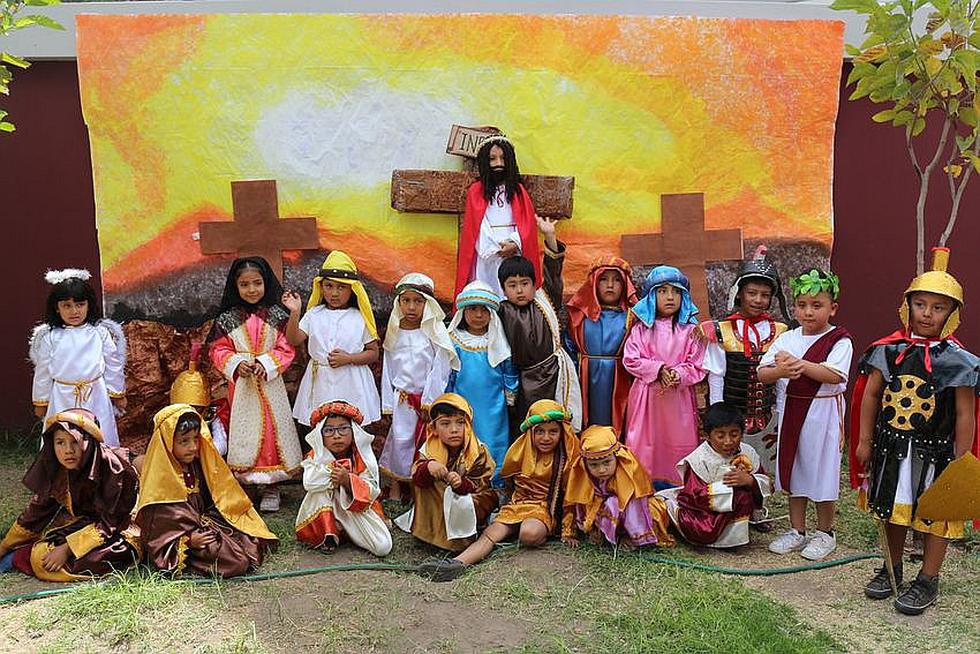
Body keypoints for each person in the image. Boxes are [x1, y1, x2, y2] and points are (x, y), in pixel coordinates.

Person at [851, 248, 979, 615]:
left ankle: (928, 579)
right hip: (892, 447)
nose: (927, 313)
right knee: (892, 508)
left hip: (938, 451)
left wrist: (962, 457)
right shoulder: (887, 351)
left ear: (952, 314)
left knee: (937, 512)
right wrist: (863, 441)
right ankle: (891, 568)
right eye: (920, 304)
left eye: (938, 307)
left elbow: (964, 412)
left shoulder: (960, 362)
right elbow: (871, 395)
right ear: (908, 306)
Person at [417, 400, 579, 581]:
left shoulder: (567, 458)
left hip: (542, 509)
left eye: (553, 432)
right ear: (530, 432)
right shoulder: (520, 450)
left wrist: (568, 530)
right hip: (517, 505)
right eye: (539, 431)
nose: (546, 438)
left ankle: (528, 529)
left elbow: (572, 495)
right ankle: (456, 564)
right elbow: (509, 481)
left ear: (562, 432)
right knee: (491, 534)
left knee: (529, 534)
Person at [759, 269, 852, 561]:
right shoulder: (787, 338)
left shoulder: (840, 340)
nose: (808, 312)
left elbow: (834, 374)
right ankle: (797, 530)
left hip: (823, 414)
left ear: (832, 308)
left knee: (823, 472)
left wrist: (798, 365)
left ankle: (825, 532)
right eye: (802, 305)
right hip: (791, 413)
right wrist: (781, 371)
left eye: (817, 305)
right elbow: (763, 373)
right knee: (794, 470)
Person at [208, 256, 303, 513]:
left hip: (271, 386)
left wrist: (266, 362)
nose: (252, 290)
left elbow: (286, 348)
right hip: (242, 389)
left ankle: (272, 486)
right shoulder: (227, 319)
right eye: (245, 284)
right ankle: (247, 484)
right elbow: (218, 350)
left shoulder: (276, 314)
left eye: (257, 283)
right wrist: (237, 363)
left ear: (266, 283)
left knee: (274, 433)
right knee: (244, 431)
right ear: (235, 287)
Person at [137, 404, 277, 578]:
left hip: (204, 525)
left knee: (249, 539)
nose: (193, 447)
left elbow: (213, 497)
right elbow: (158, 528)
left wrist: (216, 521)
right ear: (166, 442)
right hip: (180, 539)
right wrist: (187, 540)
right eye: (184, 441)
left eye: (196, 439)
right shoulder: (160, 479)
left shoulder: (196, 465)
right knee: (236, 562)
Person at [0, 409, 140, 581]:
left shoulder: (114, 469)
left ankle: (22, 558)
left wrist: (67, 549)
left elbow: (111, 521)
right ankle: (16, 556)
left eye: (75, 442)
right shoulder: (58, 466)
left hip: (122, 526)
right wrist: (4, 546)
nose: (68, 450)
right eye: (60, 442)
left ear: (88, 443)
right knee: (45, 553)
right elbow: (38, 511)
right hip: (89, 524)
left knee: (93, 559)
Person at [700, 245, 790, 470]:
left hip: (766, 416)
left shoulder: (779, 330)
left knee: (761, 470)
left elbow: (781, 378)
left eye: (765, 295)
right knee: (728, 468)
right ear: (739, 293)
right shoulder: (723, 330)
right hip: (732, 416)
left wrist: (780, 411)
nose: (758, 300)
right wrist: (718, 414)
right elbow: (717, 376)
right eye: (752, 293)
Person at [497, 215, 582, 433]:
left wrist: (549, 234)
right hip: (524, 380)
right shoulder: (502, 310)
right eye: (512, 285)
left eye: (524, 283)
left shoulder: (546, 299)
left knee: (558, 424)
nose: (519, 290)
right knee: (529, 426)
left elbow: (553, 269)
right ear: (503, 289)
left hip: (554, 372)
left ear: (534, 284)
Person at [623, 266, 706, 488]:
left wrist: (678, 374)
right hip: (646, 399)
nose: (670, 297)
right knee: (645, 444)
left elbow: (698, 364)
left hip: (678, 400)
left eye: (676, 291)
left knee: (679, 443)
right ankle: (643, 493)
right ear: (651, 297)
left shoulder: (691, 331)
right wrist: (658, 370)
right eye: (663, 291)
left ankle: (679, 494)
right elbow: (631, 359)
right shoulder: (640, 330)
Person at [379, 273, 458, 501]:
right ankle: (395, 486)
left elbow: (441, 367)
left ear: (427, 304)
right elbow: (388, 370)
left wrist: (430, 400)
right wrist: (387, 404)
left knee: (426, 443)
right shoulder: (394, 332)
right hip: (402, 399)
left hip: (427, 400)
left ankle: (418, 488)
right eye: (406, 301)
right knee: (400, 440)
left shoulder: (433, 332)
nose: (412, 307)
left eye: (418, 301)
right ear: (399, 303)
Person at [283, 251, 381, 428]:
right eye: (329, 286)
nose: (334, 293)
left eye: (341, 287)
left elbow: (373, 353)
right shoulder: (314, 314)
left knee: (352, 427)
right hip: (320, 380)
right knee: (320, 426)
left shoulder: (359, 318)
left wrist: (349, 358)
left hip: (352, 381)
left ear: (352, 289)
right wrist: (295, 313)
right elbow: (294, 339)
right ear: (321, 287)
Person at [30, 268, 127, 447]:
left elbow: (113, 365)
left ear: (88, 304)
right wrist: (41, 401)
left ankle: (103, 466)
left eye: (80, 304)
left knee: (100, 432)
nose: (74, 311)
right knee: (63, 432)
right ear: (57, 308)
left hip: (95, 394)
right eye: (67, 305)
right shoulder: (50, 337)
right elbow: (42, 372)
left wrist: (117, 393)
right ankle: (62, 469)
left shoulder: (100, 333)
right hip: (62, 396)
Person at [659, 402, 772, 548]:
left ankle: (744, 525)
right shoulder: (699, 460)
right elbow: (693, 496)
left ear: (742, 433)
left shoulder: (747, 452)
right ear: (708, 436)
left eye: (734, 434)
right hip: (707, 511)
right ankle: (672, 510)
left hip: (736, 504)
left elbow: (766, 483)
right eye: (720, 436)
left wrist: (750, 481)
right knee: (704, 531)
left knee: (744, 496)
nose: (728, 442)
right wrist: (730, 490)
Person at [396, 393, 499, 551]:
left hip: (472, 496)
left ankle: (459, 541)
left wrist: (460, 483)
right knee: (428, 481)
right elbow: (416, 478)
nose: (454, 430)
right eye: (445, 424)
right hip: (442, 495)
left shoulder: (477, 451)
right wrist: (429, 466)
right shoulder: (429, 448)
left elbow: (481, 484)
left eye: (460, 423)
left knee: (460, 499)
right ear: (434, 429)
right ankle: (430, 534)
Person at [295, 401, 392, 556]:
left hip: (354, 507)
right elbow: (310, 482)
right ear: (321, 434)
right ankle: (329, 535)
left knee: (382, 547)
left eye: (343, 429)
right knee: (319, 492)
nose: (337, 435)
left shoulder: (363, 456)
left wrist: (348, 481)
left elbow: (373, 491)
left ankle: (347, 531)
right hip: (327, 505)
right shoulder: (316, 455)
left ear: (353, 432)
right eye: (329, 430)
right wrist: (332, 475)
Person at [454, 134, 542, 299]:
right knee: (488, 293)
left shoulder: (518, 192)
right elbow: (476, 225)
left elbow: (526, 223)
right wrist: (493, 249)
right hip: (487, 255)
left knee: (512, 293)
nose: (498, 164)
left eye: (502, 158)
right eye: (492, 159)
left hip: (514, 253)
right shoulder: (476, 191)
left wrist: (515, 242)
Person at [446, 281, 518, 482]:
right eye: (473, 309)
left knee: (493, 440)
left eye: (483, 310)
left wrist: (511, 396)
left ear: (491, 314)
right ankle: (464, 481)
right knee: (464, 440)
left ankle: (495, 483)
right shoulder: (455, 340)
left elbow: (508, 370)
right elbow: (448, 374)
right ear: (463, 312)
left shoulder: (498, 342)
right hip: (463, 404)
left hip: (493, 405)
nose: (478, 315)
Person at [561, 425, 674, 550]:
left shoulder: (629, 470)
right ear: (585, 463)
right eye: (594, 465)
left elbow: (636, 507)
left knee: (614, 503)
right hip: (603, 510)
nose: (601, 470)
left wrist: (632, 535)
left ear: (617, 456)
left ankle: (630, 538)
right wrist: (569, 532)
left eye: (607, 462)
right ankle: (603, 534)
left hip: (636, 514)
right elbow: (572, 501)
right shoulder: (581, 473)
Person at [564, 256, 638, 436]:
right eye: (604, 279)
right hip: (586, 377)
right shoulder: (579, 316)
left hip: (620, 378)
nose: (610, 285)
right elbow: (569, 348)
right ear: (594, 282)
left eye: (616, 280)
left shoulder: (632, 317)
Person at [169, 341, 228, 456]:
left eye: (198, 408)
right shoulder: (169, 420)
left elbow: (221, 446)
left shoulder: (212, 416)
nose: (193, 412)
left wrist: (200, 452)